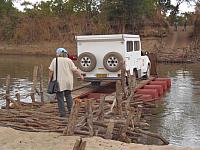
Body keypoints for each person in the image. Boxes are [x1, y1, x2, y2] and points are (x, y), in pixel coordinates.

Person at [48, 48, 84, 117]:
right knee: (68, 96)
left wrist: (50, 79)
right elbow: (75, 70)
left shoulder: (55, 60)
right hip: (68, 82)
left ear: (58, 53)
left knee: (60, 97)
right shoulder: (69, 60)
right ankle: (71, 111)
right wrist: (81, 76)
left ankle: (62, 114)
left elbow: (50, 71)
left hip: (59, 82)